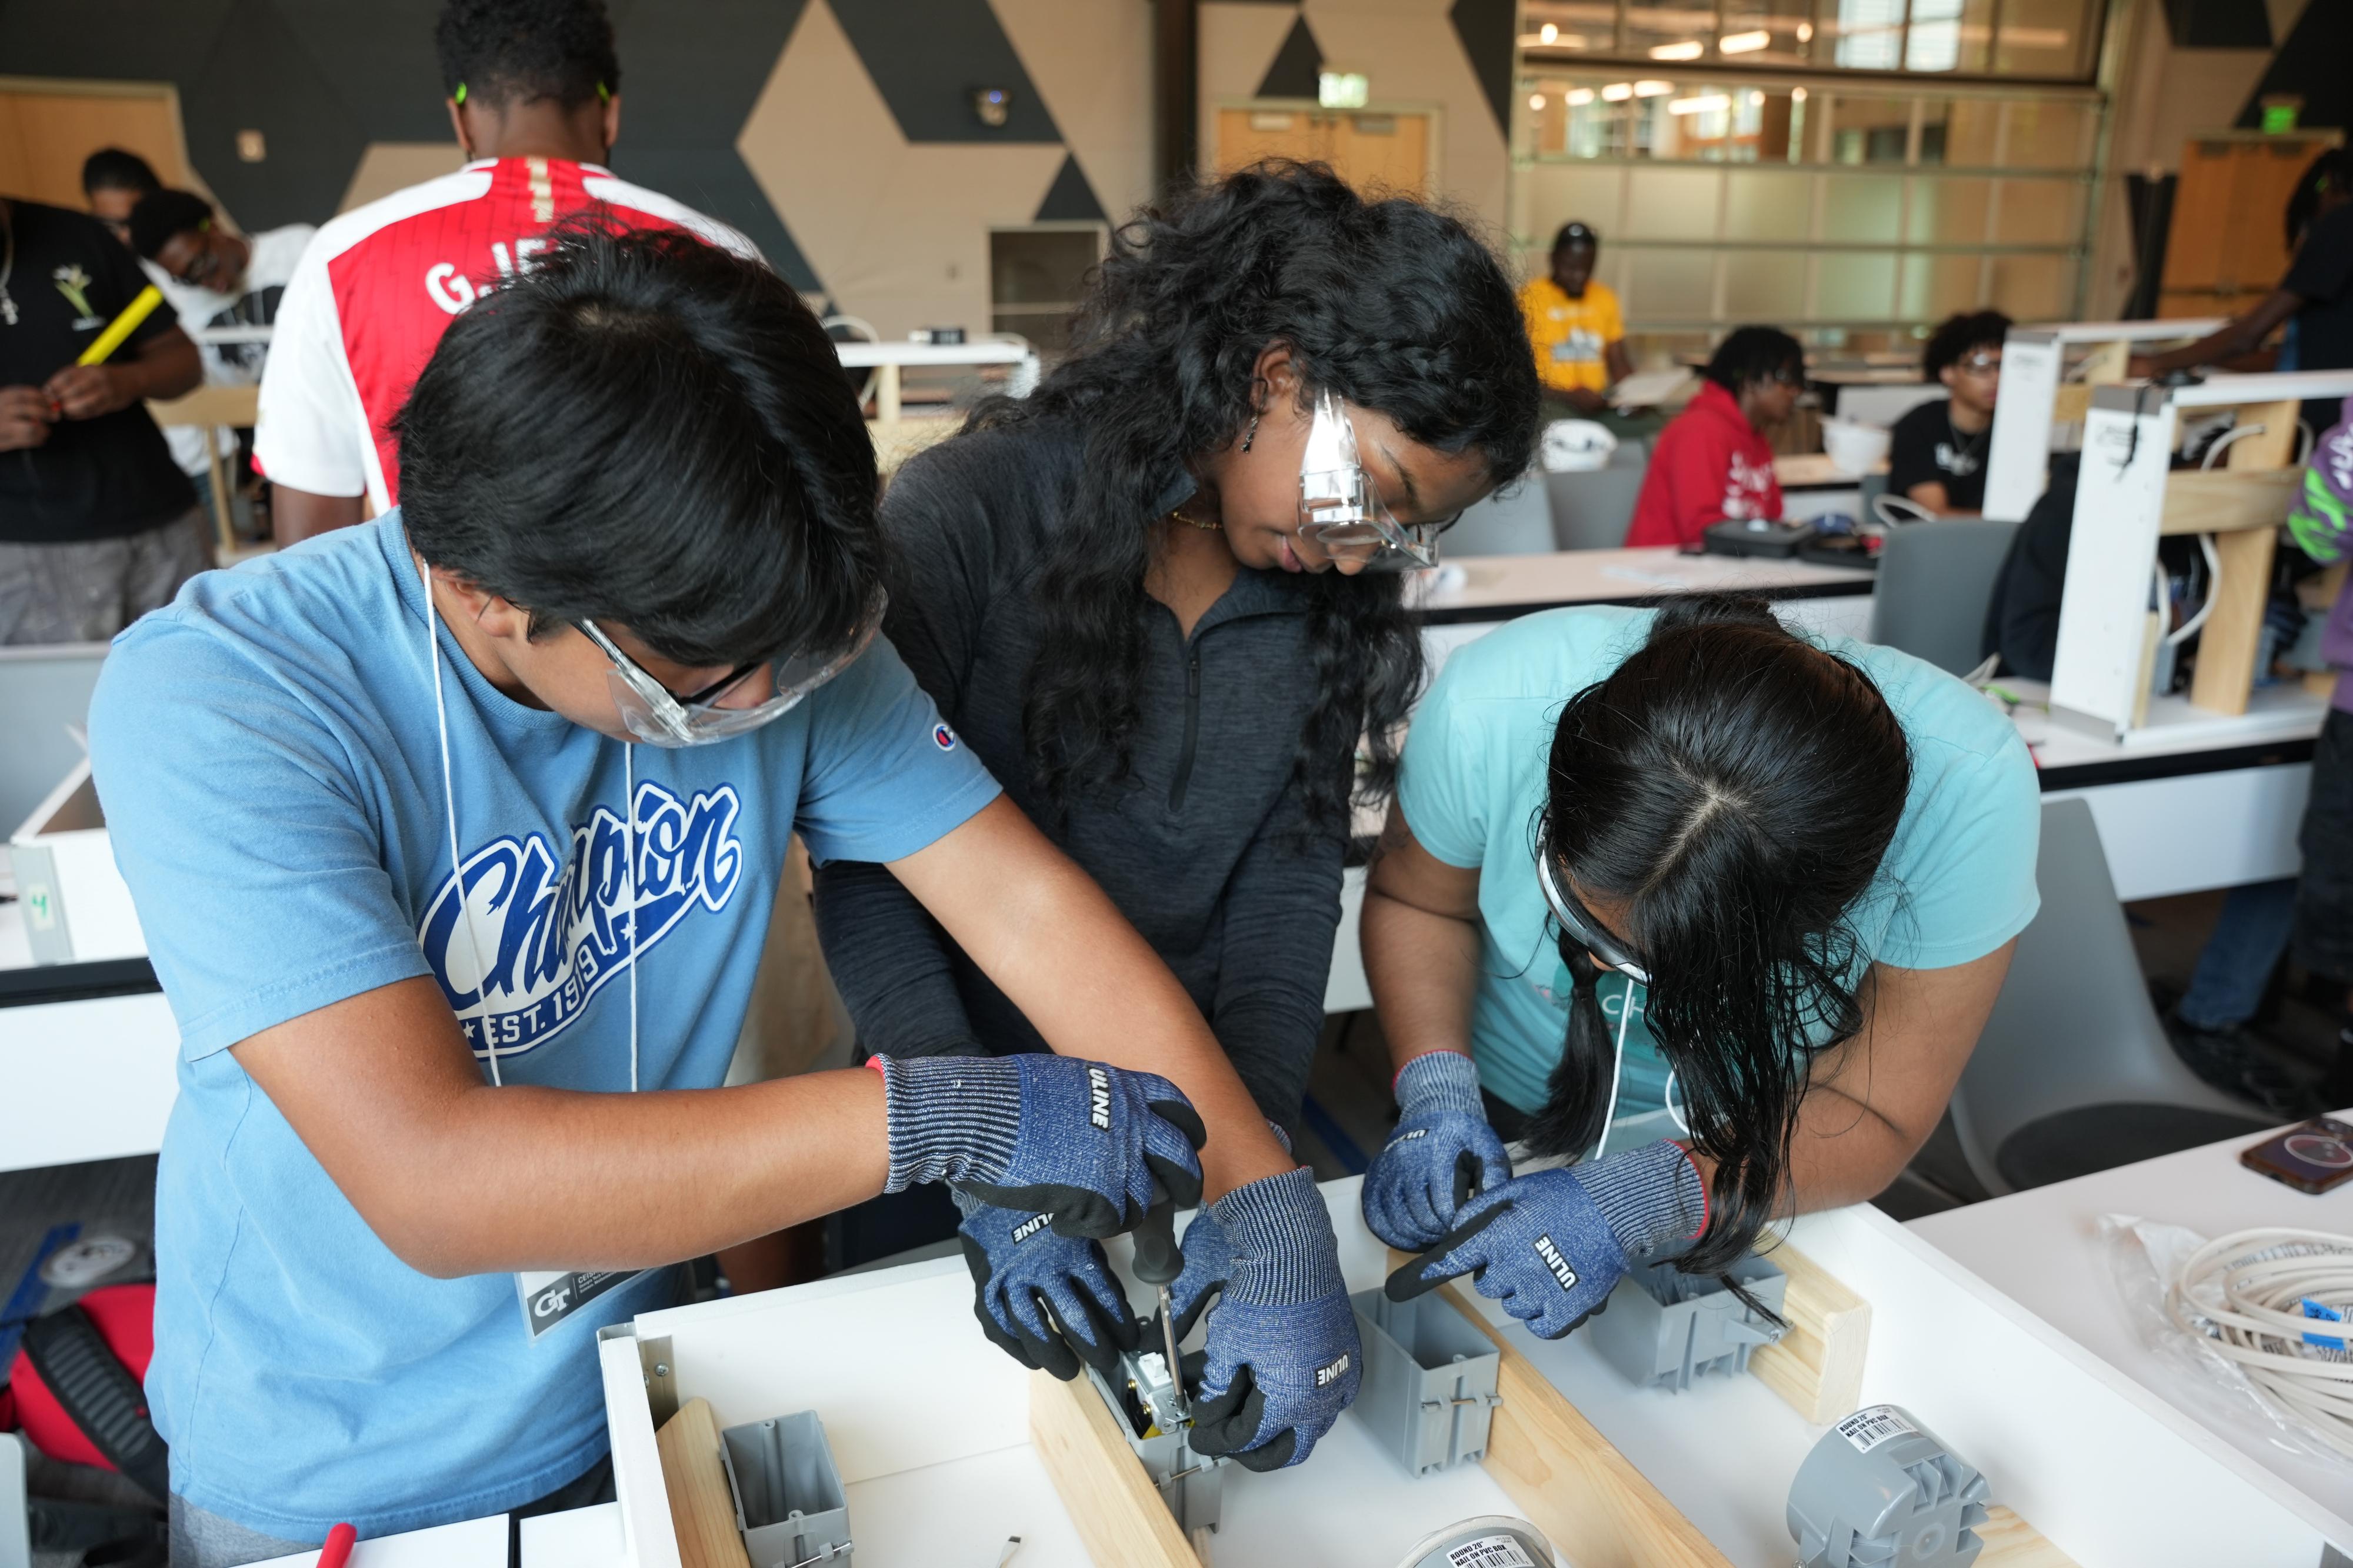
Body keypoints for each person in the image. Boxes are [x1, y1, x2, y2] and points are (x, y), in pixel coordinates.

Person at [79, 224, 1322, 1566]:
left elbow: (1023, 908)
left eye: (803, 653)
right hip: (339, 1454)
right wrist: (952, 1115)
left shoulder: (762, 624)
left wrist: (1261, 1192)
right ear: (487, 594)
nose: (772, 698)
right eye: (706, 677)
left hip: (633, 1360)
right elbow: (432, 1175)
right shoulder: (230, 696)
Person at [810, 161, 1538, 1470]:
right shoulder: (976, 516)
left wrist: (1243, 1175)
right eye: (1371, 493)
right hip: (952, 1102)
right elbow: (868, 875)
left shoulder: (1323, 606)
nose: (1364, 552)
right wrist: (986, 1170)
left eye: (1406, 532)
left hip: (1185, 1117)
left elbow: (1283, 898)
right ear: (1275, 374)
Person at [1362, 596, 2039, 1336]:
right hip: (1508, 1102)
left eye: (1665, 969)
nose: (1601, 965)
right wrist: (1436, 1084)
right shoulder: (1495, 702)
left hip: (1770, 1134)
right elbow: (1417, 903)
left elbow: (1873, 1110)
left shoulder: (1965, 794)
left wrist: (1663, 1190)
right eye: (1576, 911)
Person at [255, 0, 754, 546]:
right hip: (665, 600)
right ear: (610, 114)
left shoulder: (344, 257)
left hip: (440, 602)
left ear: (461, 119)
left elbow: (311, 542)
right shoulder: (720, 254)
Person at [0, 195, 205, 643]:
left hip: (165, 523)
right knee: (66, 691)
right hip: (24, 553)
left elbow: (184, 361)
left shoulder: (79, 236)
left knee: (207, 676)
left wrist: (126, 381)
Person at [2134, 148, 2353, 440]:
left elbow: (2246, 337)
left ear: (2330, 185)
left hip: (2318, 424)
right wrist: (2196, 357)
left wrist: (2153, 363)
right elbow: (2290, 357)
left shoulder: (2341, 225)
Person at [1624, 325, 1802, 548]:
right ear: (1750, 379)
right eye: (1786, 378)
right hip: (1667, 565)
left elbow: (1772, 518)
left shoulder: (1756, 438)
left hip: (1726, 563)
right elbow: (1700, 529)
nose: (1796, 391)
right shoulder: (1698, 431)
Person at [1888, 310, 2008, 516]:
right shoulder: (1919, 426)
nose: (1996, 378)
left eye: (2002, 366)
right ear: (1948, 373)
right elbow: (1935, 515)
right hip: (1925, 536)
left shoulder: (2013, 429)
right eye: (1982, 366)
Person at [1521, 221, 1631, 423]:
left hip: (1598, 401)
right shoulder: (1528, 298)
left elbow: (1618, 362)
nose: (1579, 276)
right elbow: (1519, 375)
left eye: (1587, 269)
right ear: (1553, 259)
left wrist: (1636, 395)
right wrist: (1570, 397)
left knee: (1651, 425)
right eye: (1570, 268)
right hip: (1551, 401)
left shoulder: (1605, 298)